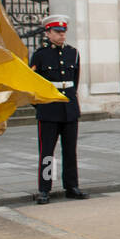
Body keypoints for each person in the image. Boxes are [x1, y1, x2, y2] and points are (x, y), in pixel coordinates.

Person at [29, 15, 88, 204]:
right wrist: (40, 105)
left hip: (69, 108)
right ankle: (45, 188)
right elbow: (32, 84)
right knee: (47, 152)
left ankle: (72, 186)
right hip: (48, 110)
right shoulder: (40, 54)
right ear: (48, 33)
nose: (62, 36)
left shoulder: (74, 53)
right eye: (57, 32)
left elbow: (74, 81)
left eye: (63, 32)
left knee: (70, 151)